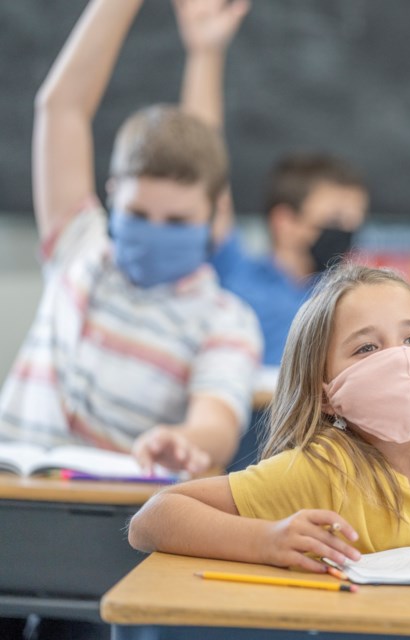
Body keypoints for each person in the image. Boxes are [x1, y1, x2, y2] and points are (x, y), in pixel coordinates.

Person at [128, 0, 410, 569]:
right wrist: (266, 541)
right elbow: (153, 518)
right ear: (324, 388)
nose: (401, 360)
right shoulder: (319, 469)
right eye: (367, 348)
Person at [0, 0, 262, 478]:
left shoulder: (225, 321)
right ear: (112, 195)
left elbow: (217, 425)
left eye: (178, 221)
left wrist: (184, 442)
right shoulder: (79, 246)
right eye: (139, 214)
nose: (155, 231)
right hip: (10, 488)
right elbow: (61, 108)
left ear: (213, 214)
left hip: (101, 515)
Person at [173, 0, 369, 366]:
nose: (347, 234)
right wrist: (205, 54)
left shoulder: (347, 301)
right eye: (335, 219)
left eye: (354, 222)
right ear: (285, 222)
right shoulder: (232, 272)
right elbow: (202, 164)